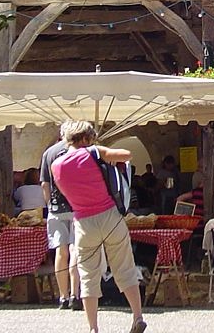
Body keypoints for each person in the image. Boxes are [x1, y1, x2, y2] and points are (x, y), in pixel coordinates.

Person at [51, 120, 146, 333]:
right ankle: (137, 316)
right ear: (86, 138)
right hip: (110, 216)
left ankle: (93, 328)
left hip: (83, 222)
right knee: (125, 267)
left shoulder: (56, 165)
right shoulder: (93, 152)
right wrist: (102, 153)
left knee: (88, 275)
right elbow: (126, 155)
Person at [40, 122, 81, 311]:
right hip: (77, 206)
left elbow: (44, 184)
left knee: (60, 251)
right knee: (75, 250)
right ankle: (75, 295)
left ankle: (63, 296)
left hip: (56, 208)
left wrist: (49, 204)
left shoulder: (49, 153)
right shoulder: (79, 151)